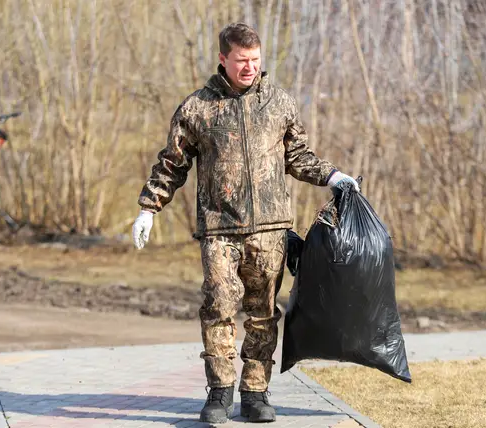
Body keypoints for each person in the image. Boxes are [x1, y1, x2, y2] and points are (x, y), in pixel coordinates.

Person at [131, 23, 359, 424]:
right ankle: (219, 394)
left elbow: (298, 156)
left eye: (255, 60)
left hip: (270, 231)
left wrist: (333, 176)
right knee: (218, 305)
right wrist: (149, 208)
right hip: (219, 228)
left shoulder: (280, 104)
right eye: (242, 61)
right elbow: (172, 163)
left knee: (263, 313)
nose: (250, 68)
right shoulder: (196, 109)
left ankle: (255, 392)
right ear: (223, 59)